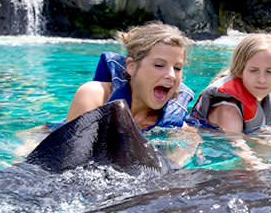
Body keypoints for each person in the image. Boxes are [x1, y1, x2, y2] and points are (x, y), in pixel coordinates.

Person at [65, 22, 194, 131]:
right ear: (131, 67)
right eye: (159, 65)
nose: (171, 75)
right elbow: (71, 154)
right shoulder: (95, 96)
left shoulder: (175, 128)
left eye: (177, 68)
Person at [190, 33, 271, 134]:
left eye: (269, 71)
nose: (262, 80)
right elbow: (238, 147)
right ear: (240, 70)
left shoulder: (270, 96)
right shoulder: (228, 112)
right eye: (253, 70)